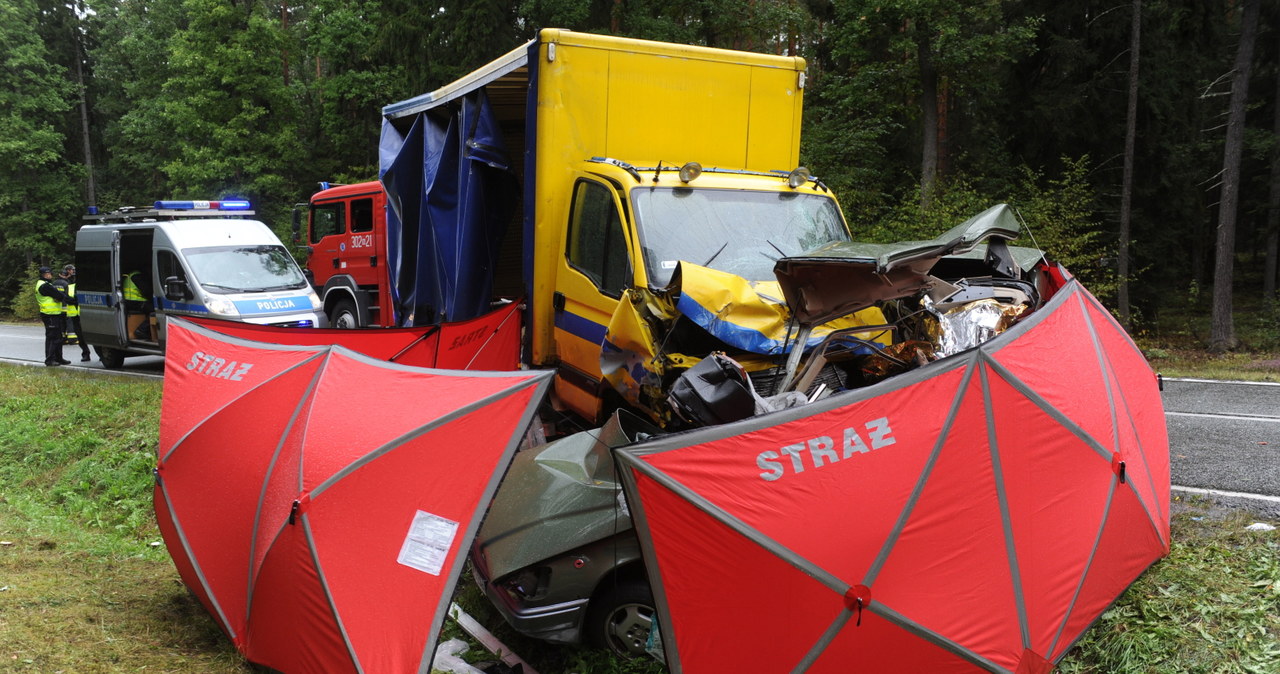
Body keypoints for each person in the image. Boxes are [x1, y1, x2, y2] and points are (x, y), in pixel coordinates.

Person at [35, 266, 74, 366]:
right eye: (46, 274)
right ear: (42, 275)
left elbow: (58, 295)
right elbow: (58, 295)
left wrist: (59, 296)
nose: (48, 275)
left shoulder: (48, 284)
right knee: (52, 337)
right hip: (49, 314)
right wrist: (62, 297)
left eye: (49, 273)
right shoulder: (44, 285)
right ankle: (50, 360)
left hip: (54, 314)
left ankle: (58, 358)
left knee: (58, 337)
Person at [61, 264, 92, 362]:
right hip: (75, 315)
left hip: (85, 314)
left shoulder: (86, 286)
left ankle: (101, 354)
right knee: (80, 336)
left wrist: (76, 300)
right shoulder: (69, 286)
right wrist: (74, 300)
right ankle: (85, 353)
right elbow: (65, 298)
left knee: (93, 334)